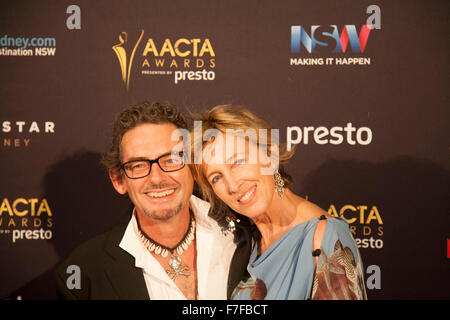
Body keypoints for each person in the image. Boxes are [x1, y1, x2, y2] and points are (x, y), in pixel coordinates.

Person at [54, 101, 251, 299]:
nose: (157, 178)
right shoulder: (84, 275)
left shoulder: (246, 234)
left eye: (172, 159)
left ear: (193, 166)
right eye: (138, 165)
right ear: (118, 179)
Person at [191, 105, 367, 300]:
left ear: (270, 155)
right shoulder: (243, 243)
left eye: (238, 162)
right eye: (216, 177)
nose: (232, 185)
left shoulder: (323, 237)